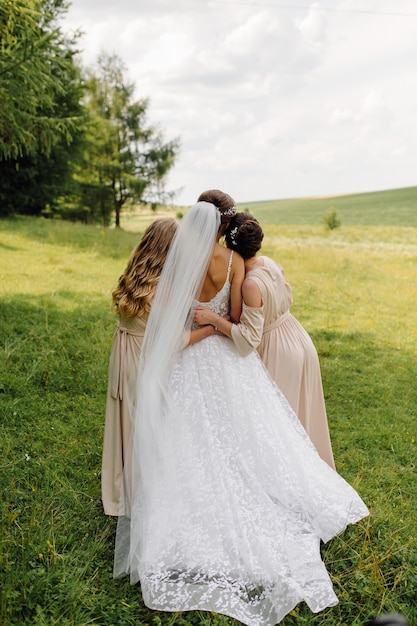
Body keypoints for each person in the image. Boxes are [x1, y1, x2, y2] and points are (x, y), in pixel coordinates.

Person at [113, 198, 369, 626]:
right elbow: (233, 318)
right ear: (223, 225)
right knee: (246, 431)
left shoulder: (180, 266)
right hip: (228, 357)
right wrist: (215, 324)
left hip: (191, 360)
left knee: (191, 437)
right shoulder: (233, 261)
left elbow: (178, 323)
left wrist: (200, 323)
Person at [194, 210, 335, 469]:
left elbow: (248, 339)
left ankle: (293, 476)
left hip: (278, 348)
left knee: (280, 425)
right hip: (298, 339)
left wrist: (213, 319)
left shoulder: (249, 284)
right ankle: (310, 470)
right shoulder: (268, 263)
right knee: (301, 416)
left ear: (228, 244)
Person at [101, 217, 215, 516]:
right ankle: (144, 492)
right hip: (144, 360)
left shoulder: (134, 273)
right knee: (150, 425)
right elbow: (175, 340)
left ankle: (120, 488)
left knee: (126, 422)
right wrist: (213, 328)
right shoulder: (163, 286)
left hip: (124, 353)